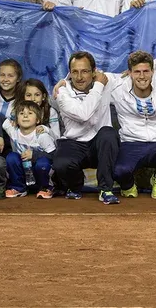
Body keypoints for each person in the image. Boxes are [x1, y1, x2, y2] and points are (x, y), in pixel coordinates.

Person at [98, 51, 156, 200]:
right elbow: (92, 74)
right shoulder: (117, 87)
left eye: (146, 71)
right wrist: (64, 81)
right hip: (130, 144)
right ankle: (128, 185)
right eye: (137, 72)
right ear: (129, 73)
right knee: (117, 171)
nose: (142, 76)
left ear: (153, 72)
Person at [51, 51, 122, 203]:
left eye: (85, 71)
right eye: (75, 72)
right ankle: (75, 186)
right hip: (74, 143)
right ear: (69, 74)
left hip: (99, 144)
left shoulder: (106, 80)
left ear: (94, 71)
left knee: (108, 133)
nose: (79, 77)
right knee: (60, 164)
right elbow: (84, 114)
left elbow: (132, 75)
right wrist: (99, 86)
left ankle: (105, 189)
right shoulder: (62, 92)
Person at [3, 100, 57, 198]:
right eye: (21, 113)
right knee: (11, 157)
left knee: (43, 163)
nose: (25, 116)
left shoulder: (42, 136)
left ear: (37, 120)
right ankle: (18, 188)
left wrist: (34, 155)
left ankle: (46, 188)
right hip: (24, 172)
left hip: (39, 171)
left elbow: (54, 156)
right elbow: (0, 120)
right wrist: (13, 116)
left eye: (30, 113)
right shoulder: (14, 131)